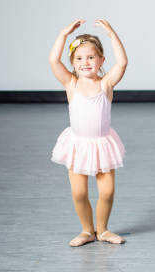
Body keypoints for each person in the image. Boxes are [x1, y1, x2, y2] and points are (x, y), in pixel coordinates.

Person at [50, 19, 128, 246]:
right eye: (79, 58)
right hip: (78, 145)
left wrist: (112, 33)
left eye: (91, 57)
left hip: (103, 144)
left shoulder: (106, 84)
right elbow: (53, 60)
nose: (85, 62)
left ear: (101, 60)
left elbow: (122, 63)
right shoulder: (71, 84)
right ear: (73, 63)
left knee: (107, 192)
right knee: (79, 194)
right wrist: (64, 34)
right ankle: (87, 230)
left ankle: (102, 229)